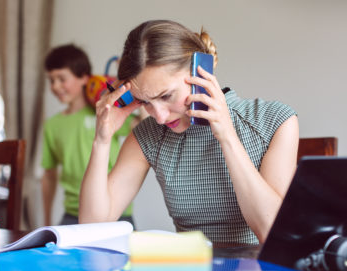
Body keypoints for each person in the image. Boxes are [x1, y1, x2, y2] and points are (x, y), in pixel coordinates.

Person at [79, 20, 299, 244]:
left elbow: (272, 233)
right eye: (145, 102)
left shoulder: (275, 120)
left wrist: (227, 137)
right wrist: (102, 140)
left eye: (166, 96)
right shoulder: (148, 135)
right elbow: (91, 227)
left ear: (202, 73)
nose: (160, 117)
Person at [41, 44, 137, 226]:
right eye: (51, 80)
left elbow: (142, 126)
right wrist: (46, 220)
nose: (55, 86)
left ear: (85, 78)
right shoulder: (51, 125)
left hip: (116, 212)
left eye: (61, 78)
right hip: (72, 216)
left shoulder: (106, 113)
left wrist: (128, 82)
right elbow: (49, 175)